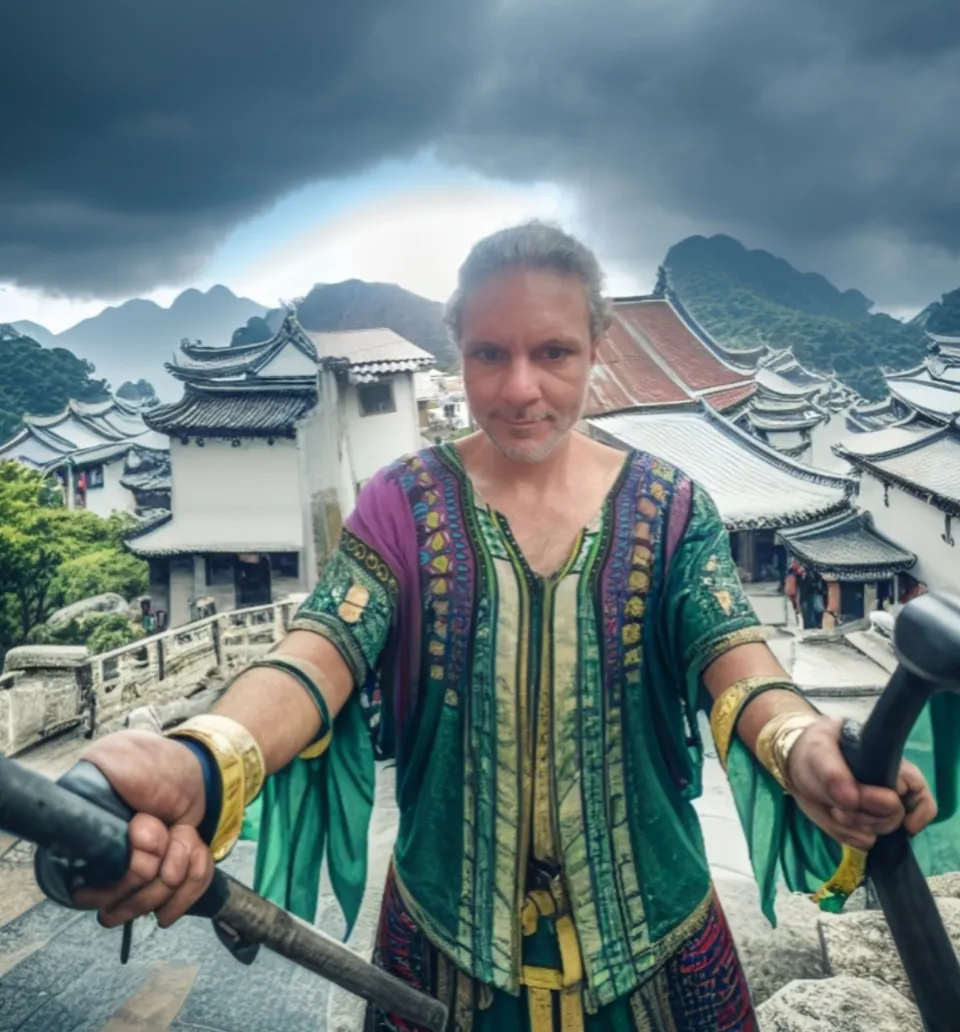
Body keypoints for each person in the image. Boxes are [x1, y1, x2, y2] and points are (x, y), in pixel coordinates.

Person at [74, 222, 937, 1031]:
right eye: (490, 354)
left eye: (553, 352)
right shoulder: (401, 502)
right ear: (461, 353)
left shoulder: (673, 505)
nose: (521, 387)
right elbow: (321, 650)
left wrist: (801, 745)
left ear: (597, 351)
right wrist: (201, 757)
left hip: (662, 948)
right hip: (437, 945)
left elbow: (735, 658)